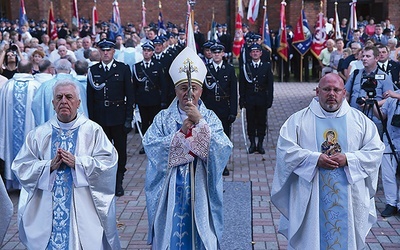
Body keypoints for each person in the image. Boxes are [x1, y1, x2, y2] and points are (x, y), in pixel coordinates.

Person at [271, 73, 384, 249]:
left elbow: (376, 150)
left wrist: (349, 158)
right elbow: (285, 151)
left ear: (344, 93)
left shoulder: (360, 121)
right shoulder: (298, 120)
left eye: (336, 90)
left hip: (349, 194)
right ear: (317, 91)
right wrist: (314, 159)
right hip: (311, 196)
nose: (331, 93)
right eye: (326, 89)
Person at [11, 79, 120, 249]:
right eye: (59, 97)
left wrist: (79, 163)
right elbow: (21, 166)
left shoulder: (93, 131)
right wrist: (48, 166)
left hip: (82, 212)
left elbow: (109, 162)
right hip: (46, 213)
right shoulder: (39, 134)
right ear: (53, 103)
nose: (64, 101)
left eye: (69, 97)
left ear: (78, 103)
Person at [143, 46, 233, 249]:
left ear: (201, 90)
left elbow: (223, 149)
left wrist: (200, 124)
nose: (189, 93)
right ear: (175, 90)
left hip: (201, 187)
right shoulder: (163, 118)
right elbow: (150, 146)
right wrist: (181, 134)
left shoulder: (209, 118)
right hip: (170, 189)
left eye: (194, 88)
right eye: (183, 88)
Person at [87, 39, 134, 197]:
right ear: (99, 52)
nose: (106, 53)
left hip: (118, 116)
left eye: (109, 50)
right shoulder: (93, 71)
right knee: (102, 151)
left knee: (120, 150)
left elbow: (130, 96)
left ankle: (118, 180)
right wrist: (92, 121)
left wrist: (129, 118)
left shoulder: (123, 69)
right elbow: (90, 99)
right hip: (100, 117)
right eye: (103, 50)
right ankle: (105, 180)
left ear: (114, 52)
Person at [0, 60, 41, 190]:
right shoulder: (36, 86)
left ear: (17, 69)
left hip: (10, 132)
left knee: (10, 149)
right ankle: (27, 183)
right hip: (31, 128)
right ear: (31, 70)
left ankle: (11, 183)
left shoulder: (8, 85)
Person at [202, 43, 238, 175]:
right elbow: (203, 92)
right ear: (210, 54)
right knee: (209, 137)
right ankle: (210, 164)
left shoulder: (229, 69)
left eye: (219, 52)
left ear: (223, 54)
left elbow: (234, 92)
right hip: (210, 108)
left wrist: (233, 111)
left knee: (224, 138)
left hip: (224, 108)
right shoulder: (206, 69)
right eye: (214, 52)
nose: (216, 55)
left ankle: (223, 165)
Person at [345, 45, 394, 136]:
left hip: (374, 120)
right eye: (363, 56)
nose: (364, 59)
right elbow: (346, 94)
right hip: (354, 118)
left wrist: (372, 102)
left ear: (376, 58)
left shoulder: (384, 77)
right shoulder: (356, 74)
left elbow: (390, 99)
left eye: (368, 56)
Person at [132, 41, 167, 154]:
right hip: (142, 99)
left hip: (154, 99)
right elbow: (134, 86)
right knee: (144, 123)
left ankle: (155, 144)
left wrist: (163, 100)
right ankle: (145, 144)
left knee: (155, 123)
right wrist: (133, 101)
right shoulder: (137, 67)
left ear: (152, 52)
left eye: (148, 51)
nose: (146, 53)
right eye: (145, 51)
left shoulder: (158, 66)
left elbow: (163, 85)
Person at [239, 43, 274, 154]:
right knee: (250, 122)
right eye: (253, 52)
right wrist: (242, 99)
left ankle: (260, 144)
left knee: (261, 122)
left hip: (262, 98)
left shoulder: (266, 66)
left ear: (260, 53)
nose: (255, 53)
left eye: (257, 51)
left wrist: (269, 99)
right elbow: (242, 85)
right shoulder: (245, 67)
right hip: (250, 98)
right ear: (250, 54)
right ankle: (252, 143)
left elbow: (270, 85)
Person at [32, 58, 88, 126]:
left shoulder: (45, 86)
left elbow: (36, 107)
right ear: (70, 70)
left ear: (55, 70)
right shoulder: (79, 85)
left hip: (50, 129)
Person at [373, 89, 400, 217]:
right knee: (388, 175)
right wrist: (373, 103)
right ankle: (391, 204)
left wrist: (396, 96)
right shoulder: (392, 96)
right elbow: (381, 115)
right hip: (390, 141)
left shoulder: (394, 95)